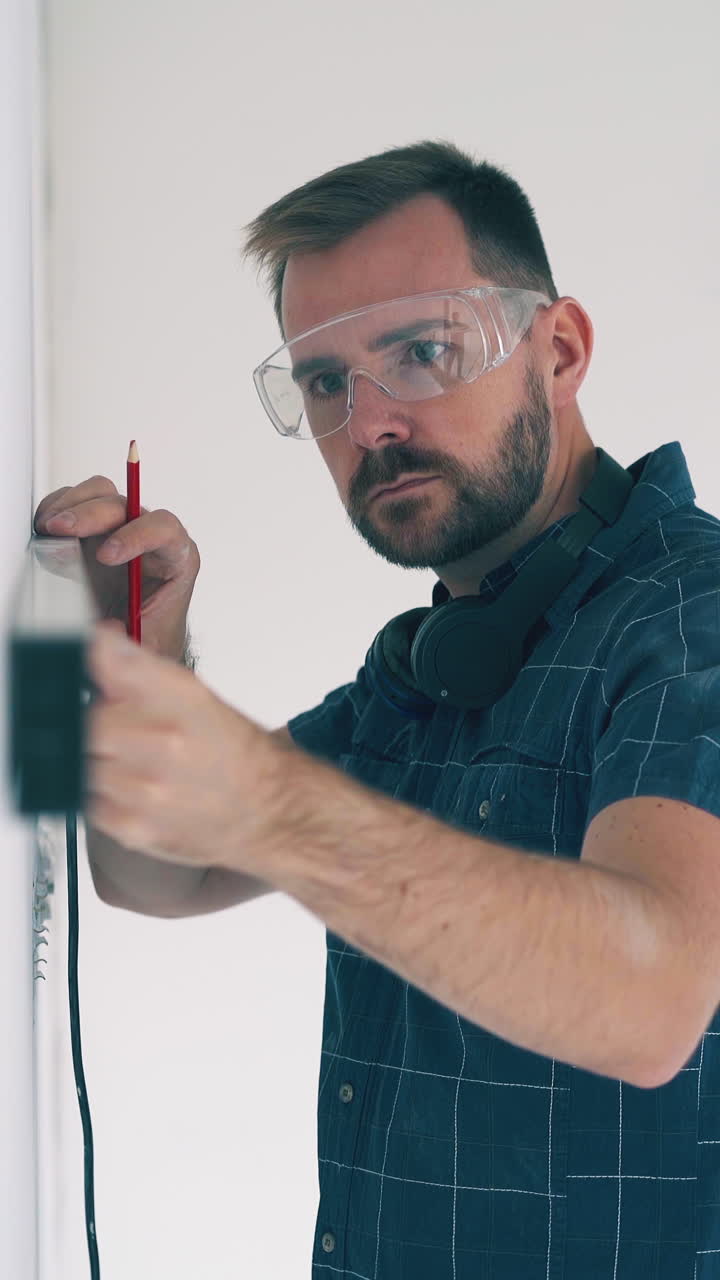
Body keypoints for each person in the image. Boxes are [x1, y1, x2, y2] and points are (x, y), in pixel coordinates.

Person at [34, 140, 720, 1279]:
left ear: (558, 350)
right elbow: (156, 875)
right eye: (325, 380)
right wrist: (142, 651)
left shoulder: (690, 612)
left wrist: (271, 801)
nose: (372, 422)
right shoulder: (430, 665)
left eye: (421, 351)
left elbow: (650, 999)